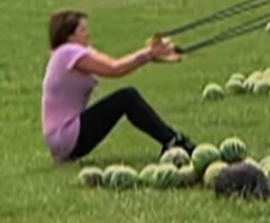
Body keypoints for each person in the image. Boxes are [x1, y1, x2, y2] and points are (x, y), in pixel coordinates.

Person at [41, 9, 196, 163]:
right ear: (69, 35)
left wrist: (154, 54)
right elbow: (114, 68)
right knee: (127, 98)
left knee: (127, 98)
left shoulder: (73, 52)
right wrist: (149, 53)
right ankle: (172, 141)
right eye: (82, 30)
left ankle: (171, 140)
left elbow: (116, 62)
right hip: (66, 135)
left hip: (63, 139)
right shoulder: (68, 52)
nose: (87, 34)